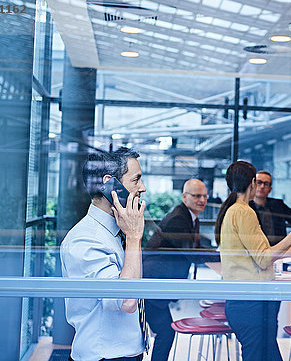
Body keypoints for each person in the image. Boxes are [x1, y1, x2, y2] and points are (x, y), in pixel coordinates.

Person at [215, 161, 291, 361]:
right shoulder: (243, 211)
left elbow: (257, 255)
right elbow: (264, 259)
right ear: (253, 182)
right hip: (251, 302)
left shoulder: (232, 210)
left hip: (244, 300)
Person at [60, 147, 148, 361]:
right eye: (136, 180)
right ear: (111, 184)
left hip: (125, 352)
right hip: (104, 356)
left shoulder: (120, 230)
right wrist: (135, 238)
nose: (142, 188)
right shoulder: (84, 239)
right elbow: (126, 301)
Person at [142, 179, 209, 361]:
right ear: (184, 197)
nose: (201, 200)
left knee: (164, 332)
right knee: (165, 332)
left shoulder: (189, 217)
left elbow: (195, 246)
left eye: (204, 196)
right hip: (151, 284)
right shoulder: (179, 218)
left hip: (156, 285)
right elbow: (192, 252)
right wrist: (222, 255)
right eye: (196, 196)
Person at [249, 170, 291, 245]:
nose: (262, 186)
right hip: (257, 252)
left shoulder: (278, 205)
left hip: (280, 250)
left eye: (266, 184)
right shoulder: (246, 208)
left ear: (270, 189)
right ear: (253, 185)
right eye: (259, 182)